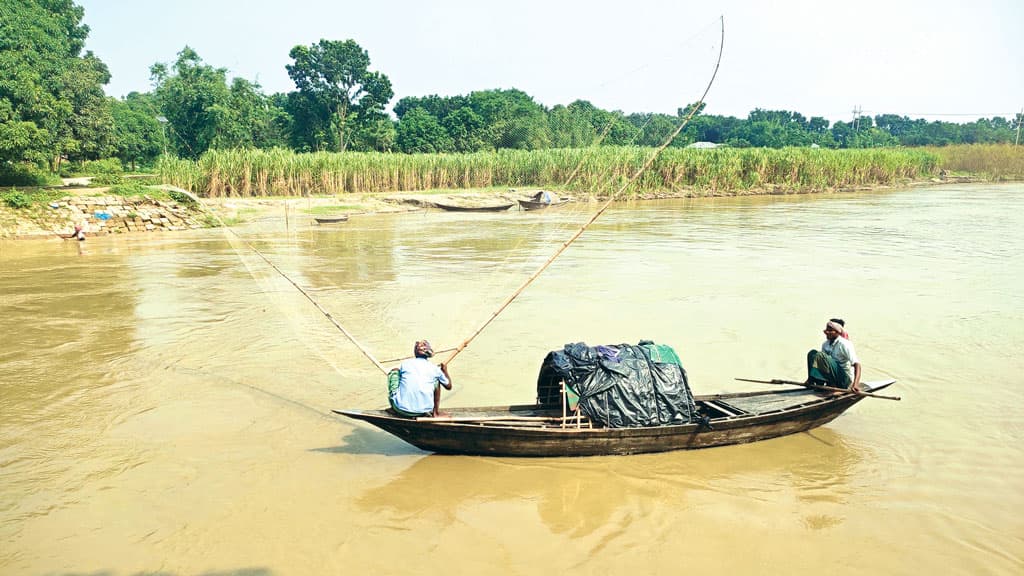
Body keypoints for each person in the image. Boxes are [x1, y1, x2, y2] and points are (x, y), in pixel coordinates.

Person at [388, 340, 452, 417]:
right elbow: (448, 386)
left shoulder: (406, 363)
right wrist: (444, 370)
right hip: (423, 411)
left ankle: (394, 406)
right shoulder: (435, 369)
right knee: (436, 381)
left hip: (399, 408)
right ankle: (436, 412)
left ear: (415, 352)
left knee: (394, 371)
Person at [806, 318, 862, 391]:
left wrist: (855, 384)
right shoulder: (825, 344)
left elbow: (857, 365)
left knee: (821, 356)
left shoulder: (845, 344)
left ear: (837, 332)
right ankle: (815, 382)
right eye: (827, 330)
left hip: (843, 380)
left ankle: (836, 387)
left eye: (830, 330)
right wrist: (810, 378)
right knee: (812, 353)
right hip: (830, 378)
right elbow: (820, 364)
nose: (827, 332)